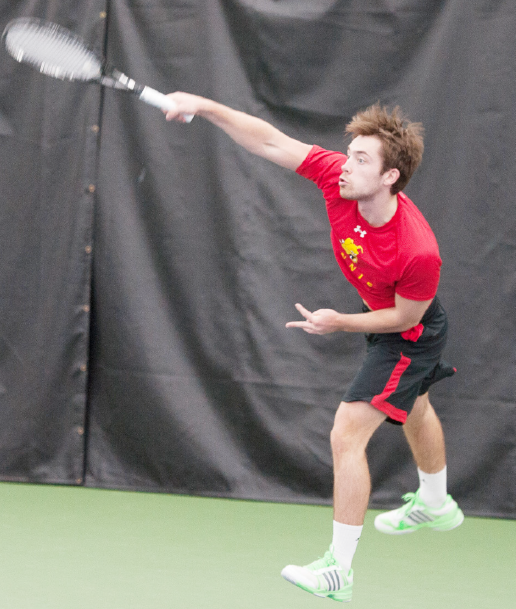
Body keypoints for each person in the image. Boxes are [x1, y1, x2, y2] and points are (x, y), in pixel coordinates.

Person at [164, 95, 464, 603]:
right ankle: (436, 503)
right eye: (350, 154)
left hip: (409, 332)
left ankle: (338, 570)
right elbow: (269, 140)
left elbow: (406, 317)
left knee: (347, 432)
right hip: (394, 319)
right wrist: (204, 106)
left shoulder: (417, 249)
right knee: (415, 403)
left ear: (391, 177)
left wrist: (339, 322)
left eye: (362, 160)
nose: (347, 165)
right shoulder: (338, 179)